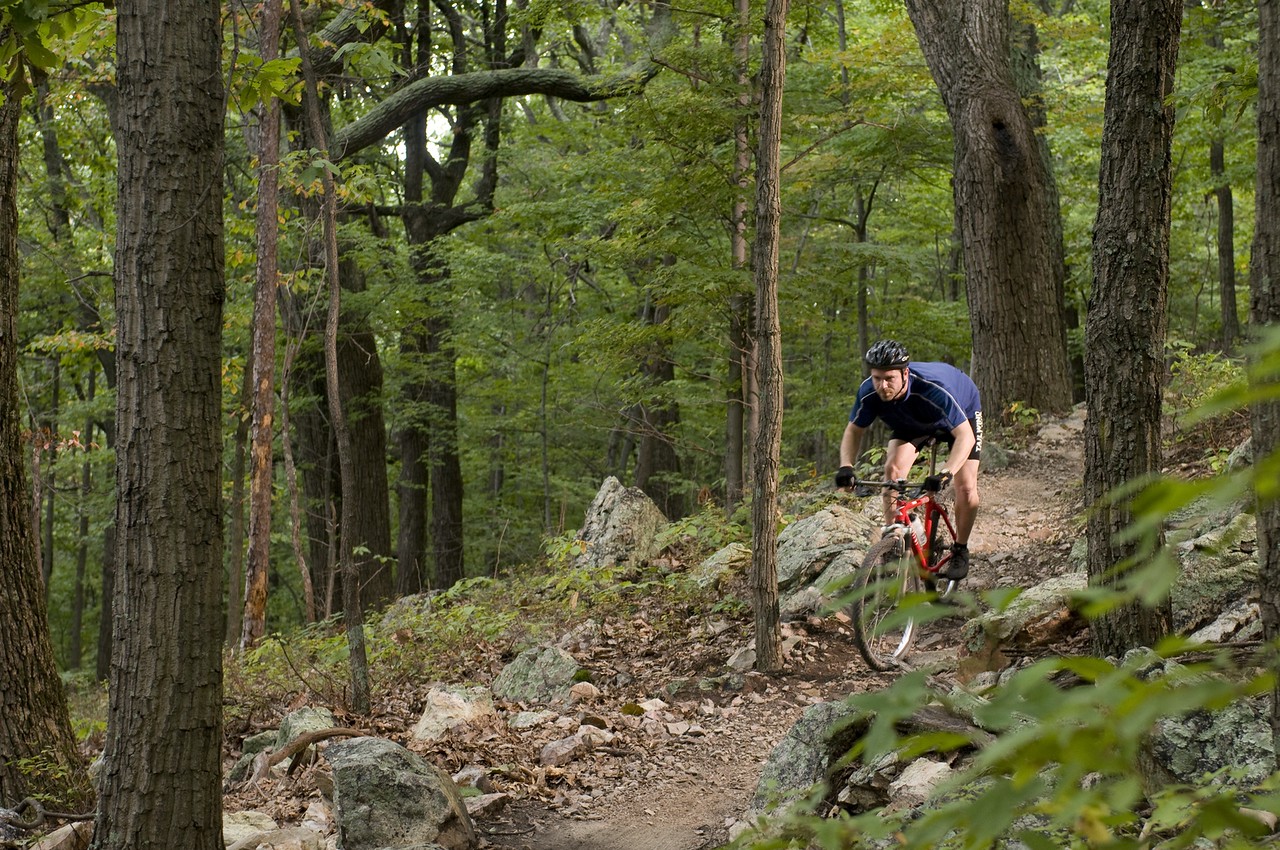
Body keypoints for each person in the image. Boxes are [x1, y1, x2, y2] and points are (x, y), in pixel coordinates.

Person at [834, 339, 982, 581]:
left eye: (889, 378)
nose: (882, 385)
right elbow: (854, 430)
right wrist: (846, 466)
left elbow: (965, 437)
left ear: (905, 373)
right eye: (876, 378)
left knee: (965, 487)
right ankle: (894, 541)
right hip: (913, 422)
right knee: (892, 470)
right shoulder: (869, 392)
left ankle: (960, 549)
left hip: (961, 416)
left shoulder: (934, 389)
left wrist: (946, 472)